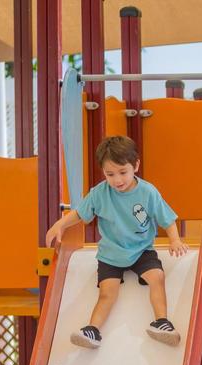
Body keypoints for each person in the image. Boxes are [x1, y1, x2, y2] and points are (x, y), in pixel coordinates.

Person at [45, 135, 188, 349]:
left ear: (135, 166)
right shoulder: (100, 193)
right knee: (107, 292)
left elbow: (167, 219)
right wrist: (60, 225)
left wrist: (175, 240)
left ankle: (162, 322)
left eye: (123, 172)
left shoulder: (147, 192)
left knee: (157, 277)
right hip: (111, 254)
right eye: (110, 174)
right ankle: (92, 330)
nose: (117, 180)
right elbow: (81, 213)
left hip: (141, 250)